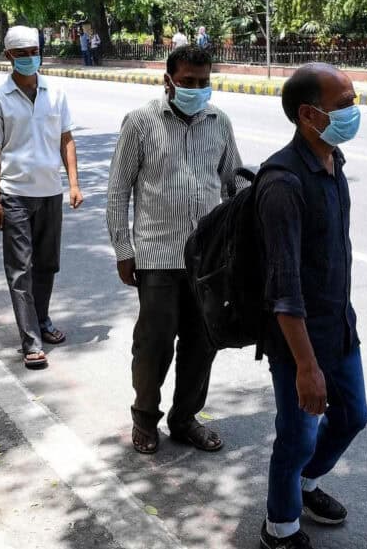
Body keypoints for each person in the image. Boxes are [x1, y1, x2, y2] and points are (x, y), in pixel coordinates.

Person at [106, 45, 244, 455]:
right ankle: (145, 417)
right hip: (157, 255)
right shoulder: (140, 123)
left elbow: (233, 181)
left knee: (203, 344)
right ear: (168, 81)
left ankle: (184, 419)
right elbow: (118, 192)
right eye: (188, 82)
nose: (197, 90)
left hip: (207, 261)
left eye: (204, 83)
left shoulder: (220, 122)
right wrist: (123, 249)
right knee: (154, 342)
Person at [254, 63, 367, 549]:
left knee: (353, 416)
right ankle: (279, 527)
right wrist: (306, 367)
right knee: (297, 437)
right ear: (308, 114)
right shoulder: (283, 182)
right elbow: (284, 286)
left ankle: (304, 483)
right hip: (297, 341)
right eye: (343, 103)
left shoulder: (332, 161)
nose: (354, 111)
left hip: (339, 327)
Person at [0, 26, 84, 368]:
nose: (30, 57)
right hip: (15, 194)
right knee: (20, 269)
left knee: (47, 264)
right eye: (22, 52)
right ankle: (30, 339)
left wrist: (73, 183)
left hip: (50, 192)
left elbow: (66, 139)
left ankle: (41, 320)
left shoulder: (55, 93)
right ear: (9, 56)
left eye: (34, 51)